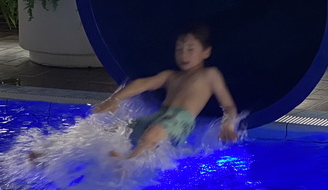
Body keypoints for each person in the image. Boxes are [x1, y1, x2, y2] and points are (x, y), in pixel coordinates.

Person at [93, 24, 239, 159]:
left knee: (152, 133)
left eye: (190, 49)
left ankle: (127, 163)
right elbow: (143, 84)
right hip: (160, 115)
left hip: (181, 120)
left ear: (206, 52)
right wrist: (115, 99)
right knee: (120, 129)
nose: (184, 55)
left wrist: (228, 124)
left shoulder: (209, 74)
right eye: (179, 49)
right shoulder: (170, 76)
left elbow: (229, 106)